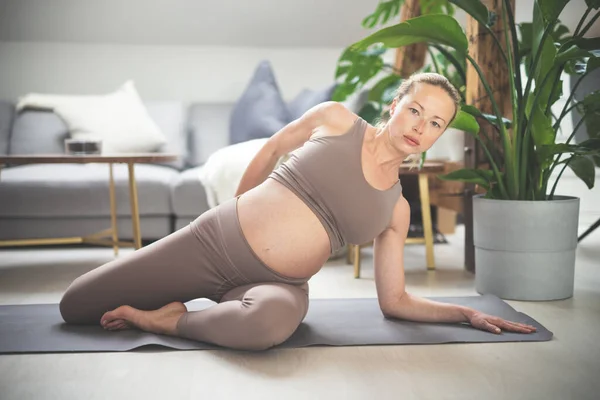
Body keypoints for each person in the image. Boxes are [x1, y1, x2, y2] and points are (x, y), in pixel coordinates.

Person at [59, 72, 537, 351]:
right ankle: (193, 306)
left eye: (435, 123)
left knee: (265, 327)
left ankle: (163, 320)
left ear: (438, 134)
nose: (420, 126)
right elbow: (271, 149)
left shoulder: (396, 208)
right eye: (415, 110)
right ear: (395, 105)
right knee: (76, 305)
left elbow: (394, 302)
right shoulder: (335, 119)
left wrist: (464, 314)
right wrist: (238, 207)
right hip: (212, 244)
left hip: (276, 285)